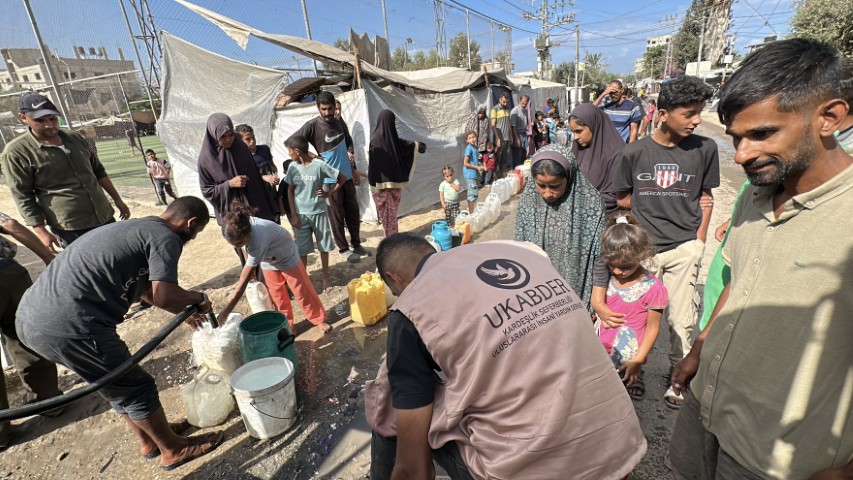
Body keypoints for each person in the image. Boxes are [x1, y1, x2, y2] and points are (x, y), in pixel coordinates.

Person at [667, 38, 853, 480]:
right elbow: (740, 279)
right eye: (735, 137)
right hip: (708, 413)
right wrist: (699, 348)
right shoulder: (756, 194)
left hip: (779, 456)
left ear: (830, 117)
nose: (742, 154)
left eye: (762, 133)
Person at [365, 234, 647, 480]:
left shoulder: (411, 305)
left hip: (535, 470)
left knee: (391, 399)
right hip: (619, 448)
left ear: (395, 279)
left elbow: (414, 471)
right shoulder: (520, 254)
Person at [16, 197, 223, 471]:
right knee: (135, 386)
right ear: (191, 223)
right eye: (194, 234)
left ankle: (150, 440)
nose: (191, 239)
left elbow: (148, 291)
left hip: (31, 320)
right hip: (70, 324)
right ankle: (172, 449)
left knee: (113, 383)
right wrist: (198, 297)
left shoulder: (140, 229)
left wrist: (181, 312)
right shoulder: (166, 237)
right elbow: (164, 294)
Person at [613, 75, 717, 409]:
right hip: (644, 252)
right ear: (662, 113)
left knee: (681, 319)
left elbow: (705, 199)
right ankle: (634, 370)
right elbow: (623, 198)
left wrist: (697, 243)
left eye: (699, 112)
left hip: (684, 248)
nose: (697, 120)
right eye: (689, 113)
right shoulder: (635, 153)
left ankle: (678, 374)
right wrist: (648, 216)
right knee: (635, 317)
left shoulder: (705, 149)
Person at [2, 92, 131, 251]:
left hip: (104, 215)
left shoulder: (74, 137)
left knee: (122, 259)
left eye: (52, 118)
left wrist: (117, 199)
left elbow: (98, 171)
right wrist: (40, 230)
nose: (49, 125)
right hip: (70, 227)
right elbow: (22, 195)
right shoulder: (17, 152)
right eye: (40, 120)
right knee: (91, 271)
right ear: (23, 118)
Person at [218, 201, 331, 335]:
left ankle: (318, 319)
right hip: (268, 259)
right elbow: (244, 247)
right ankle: (287, 325)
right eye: (233, 244)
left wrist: (226, 311)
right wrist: (250, 263)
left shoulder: (258, 237)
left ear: (247, 233)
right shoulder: (240, 228)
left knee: (302, 291)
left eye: (239, 243)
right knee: (278, 296)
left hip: (286, 255)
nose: (236, 246)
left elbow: (241, 285)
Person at [515, 144, 606, 311]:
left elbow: (601, 256)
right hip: (535, 297)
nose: (547, 193)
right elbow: (519, 249)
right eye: (541, 185)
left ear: (570, 177)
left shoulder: (591, 204)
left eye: (555, 186)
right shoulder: (529, 202)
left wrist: (597, 298)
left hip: (576, 293)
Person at [0, 212, 63, 449]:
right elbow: (11, 224)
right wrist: (48, 256)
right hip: (7, 273)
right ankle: (50, 402)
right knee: (24, 333)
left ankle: (0, 431)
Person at [592, 213, 666, 401]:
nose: (618, 271)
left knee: (617, 399)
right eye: (613, 266)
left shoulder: (653, 288)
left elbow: (653, 326)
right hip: (599, 353)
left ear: (641, 254)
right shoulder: (607, 278)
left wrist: (638, 359)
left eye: (625, 266)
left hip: (627, 358)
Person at [294, 91, 370, 263]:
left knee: (352, 212)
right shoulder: (312, 125)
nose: (328, 113)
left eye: (330, 109)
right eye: (324, 109)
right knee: (336, 214)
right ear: (318, 108)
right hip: (329, 179)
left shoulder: (338, 121)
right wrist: (314, 157)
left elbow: (348, 141)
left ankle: (356, 245)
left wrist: (350, 153)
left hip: (347, 176)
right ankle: (344, 249)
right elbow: (293, 143)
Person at [285, 135, 347, 291]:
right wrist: (293, 214)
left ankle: (325, 278)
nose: (288, 154)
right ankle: (304, 280)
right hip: (300, 216)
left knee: (323, 247)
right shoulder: (293, 167)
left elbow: (342, 178)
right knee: (302, 250)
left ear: (297, 151)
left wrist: (329, 193)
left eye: (289, 151)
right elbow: (290, 191)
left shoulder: (319, 166)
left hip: (319, 213)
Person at [197, 113, 279, 227]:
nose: (228, 139)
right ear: (213, 134)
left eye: (231, 135)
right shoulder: (206, 160)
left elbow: (255, 177)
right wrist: (229, 184)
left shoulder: (241, 147)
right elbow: (207, 190)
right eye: (223, 136)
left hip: (257, 209)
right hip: (234, 215)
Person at [368, 110, 426, 238]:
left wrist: (416, 145)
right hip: (382, 188)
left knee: (391, 217)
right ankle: (391, 242)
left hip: (392, 186)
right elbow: (376, 165)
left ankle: (392, 239)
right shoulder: (376, 141)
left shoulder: (391, 138)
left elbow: (401, 145)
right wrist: (385, 182)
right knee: (388, 218)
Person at [569, 103, 626, 211]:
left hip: (605, 216)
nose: (575, 137)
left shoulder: (617, 154)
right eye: (573, 132)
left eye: (579, 131)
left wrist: (577, 199)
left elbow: (613, 196)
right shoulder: (579, 149)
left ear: (593, 126)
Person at [234, 124, 280, 222]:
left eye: (253, 137)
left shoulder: (264, 149)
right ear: (239, 141)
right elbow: (243, 179)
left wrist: (275, 176)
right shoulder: (239, 158)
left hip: (271, 197)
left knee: (275, 228)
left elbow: (272, 166)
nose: (252, 141)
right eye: (248, 139)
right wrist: (263, 178)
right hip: (256, 200)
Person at [462, 131, 485, 213]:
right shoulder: (469, 148)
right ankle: (471, 213)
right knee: (473, 194)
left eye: (473, 137)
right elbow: (465, 163)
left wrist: (480, 166)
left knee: (472, 192)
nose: (472, 139)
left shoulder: (475, 147)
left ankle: (469, 210)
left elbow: (475, 160)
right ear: (467, 140)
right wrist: (476, 167)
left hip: (473, 173)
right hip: (469, 173)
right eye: (470, 138)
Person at [490, 92, 512, 177]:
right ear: (499, 100)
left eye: (506, 102)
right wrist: (497, 138)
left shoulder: (508, 109)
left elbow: (509, 124)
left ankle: (503, 174)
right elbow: (493, 125)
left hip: (507, 138)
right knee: (497, 157)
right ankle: (495, 176)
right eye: (503, 102)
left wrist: (510, 136)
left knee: (505, 157)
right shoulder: (494, 109)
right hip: (500, 138)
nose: (505, 104)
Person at [510, 94, 530, 168]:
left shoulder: (525, 110)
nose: (524, 105)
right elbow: (513, 126)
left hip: (523, 134)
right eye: (523, 103)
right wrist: (516, 138)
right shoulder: (515, 111)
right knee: (517, 157)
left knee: (523, 157)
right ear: (520, 101)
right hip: (517, 134)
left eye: (526, 103)